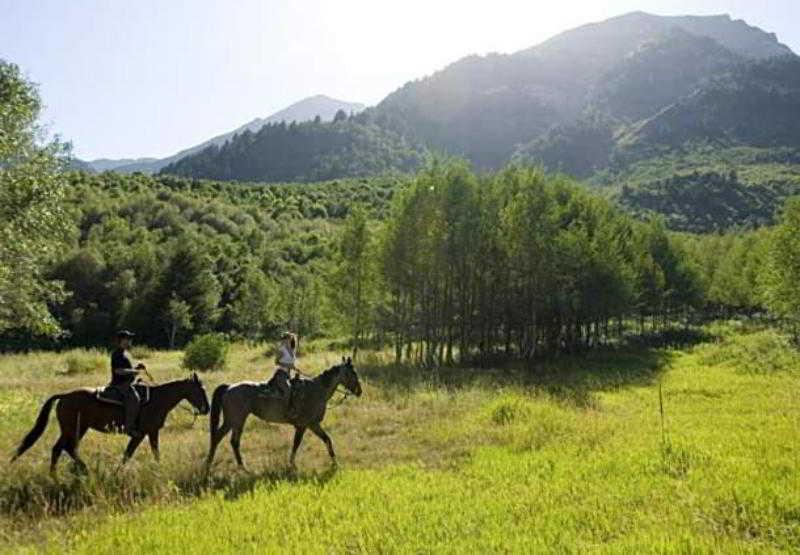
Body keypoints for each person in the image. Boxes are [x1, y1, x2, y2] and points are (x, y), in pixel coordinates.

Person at [110, 330, 147, 437]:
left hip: (127, 383)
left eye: (130, 338)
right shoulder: (117, 354)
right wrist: (134, 371)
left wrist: (136, 368)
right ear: (122, 340)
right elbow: (118, 371)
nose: (130, 341)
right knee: (134, 399)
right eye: (128, 339)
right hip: (120, 384)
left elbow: (127, 370)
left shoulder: (125, 353)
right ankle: (128, 428)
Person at [265, 332, 300, 416]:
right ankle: (285, 411)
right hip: (281, 374)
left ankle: (295, 409)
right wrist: (289, 366)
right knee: (287, 390)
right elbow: (276, 362)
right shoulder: (281, 349)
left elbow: (291, 363)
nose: (284, 340)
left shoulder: (292, 350)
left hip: (289, 375)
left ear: (289, 339)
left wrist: (294, 368)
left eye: (286, 339)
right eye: (284, 339)